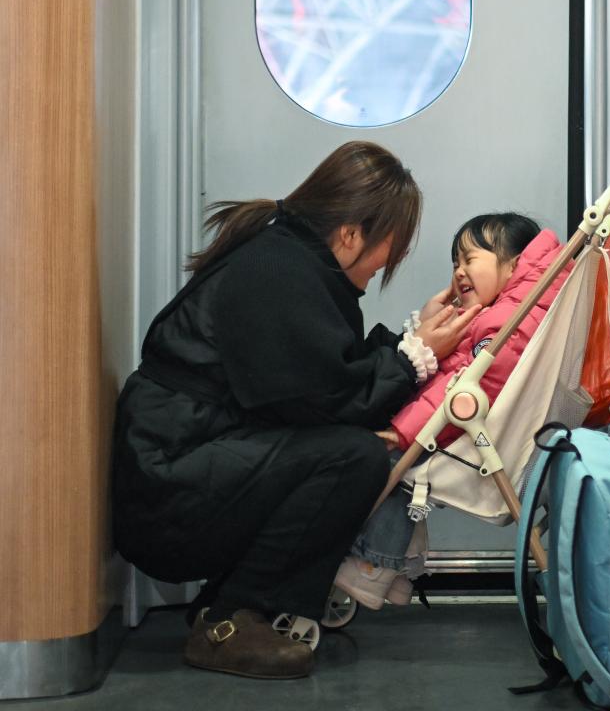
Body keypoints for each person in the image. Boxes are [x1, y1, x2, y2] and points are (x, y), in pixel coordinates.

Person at [112, 141, 480, 680]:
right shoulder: (278, 270)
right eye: (391, 246)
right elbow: (328, 401)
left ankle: (233, 605)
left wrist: (412, 345)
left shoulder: (286, 258)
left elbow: (328, 375)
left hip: (176, 464)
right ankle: (229, 621)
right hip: (167, 492)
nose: (389, 262)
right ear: (350, 234)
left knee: (349, 450)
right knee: (353, 457)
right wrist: (412, 358)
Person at [334, 212, 571, 611]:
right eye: (455, 262)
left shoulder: (504, 325)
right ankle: (398, 568)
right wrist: (426, 326)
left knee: (389, 461)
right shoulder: (504, 314)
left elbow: (461, 388)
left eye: (470, 259)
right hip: (468, 433)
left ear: (514, 265)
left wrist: (403, 431)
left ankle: (374, 565)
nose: (459, 271)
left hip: (474, 440)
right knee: (399, 465)